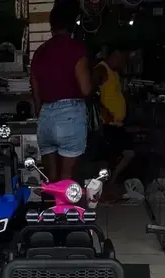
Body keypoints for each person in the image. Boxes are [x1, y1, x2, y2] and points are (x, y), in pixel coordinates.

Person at [30, 3, 91, 182]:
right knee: (67, 179)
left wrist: (41, 112)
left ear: (52, 25)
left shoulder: (40, 52)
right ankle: (64, 202)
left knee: (50, 179)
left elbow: (35, 91)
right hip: (70, 116)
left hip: (45, 117)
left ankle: (50, 201)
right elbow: (86, 88)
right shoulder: (76, 49)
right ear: (73, 25)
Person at [92, 48, 134, 196]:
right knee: (121, 155)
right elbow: (91, 92)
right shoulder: (101, 69)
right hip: (108, 124)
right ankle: (108, 184)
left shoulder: (115, 73)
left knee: (119, 155)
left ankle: (110, 183)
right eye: (121, 58)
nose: (122, 62)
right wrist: (103, 110)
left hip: (116, 124)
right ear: (113, 56)